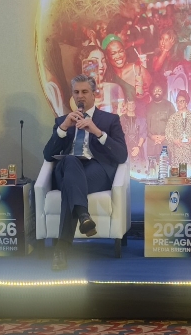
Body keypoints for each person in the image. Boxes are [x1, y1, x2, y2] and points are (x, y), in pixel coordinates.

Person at [43, 75, 128, 271]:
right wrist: (63, 128)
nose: (80, 96)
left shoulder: (110, 120)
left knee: (70, 188)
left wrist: (97, 132)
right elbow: (47, 155)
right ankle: (83, 216)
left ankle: (61, 249)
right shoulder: (62, 121)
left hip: (96, 171)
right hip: (67, 169)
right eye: (76, 92)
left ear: (94, 94)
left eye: (84, 92)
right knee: (70, 160)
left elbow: (122, 155)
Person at [77, 45, 126, 113]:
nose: (101, 65)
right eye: (95, 61)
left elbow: (122, 116)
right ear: (84, 65)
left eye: (103, 61)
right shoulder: (78, 95)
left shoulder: (115, 88)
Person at [145, 84, 176, 173]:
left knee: (165, 169)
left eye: (159, 90)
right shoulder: (147, 107)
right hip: (152, 144)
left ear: (163, 92)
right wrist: (152, 137)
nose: (157, 92)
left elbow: (173, 123)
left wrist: (165, 136)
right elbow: (144, 125)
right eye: (155, 90)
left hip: (166, 142)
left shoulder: (169, 105)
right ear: (151, 92)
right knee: (153, 170)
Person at [165, 90, 191, 167]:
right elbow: (168, 132)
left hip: (190, 150)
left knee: (189, 171)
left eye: (182, 101)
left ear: (186, 103)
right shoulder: (173, 117)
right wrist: (174, 140)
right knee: (178, 172)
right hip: (178, 150)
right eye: (177, 101)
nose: (179, 103)